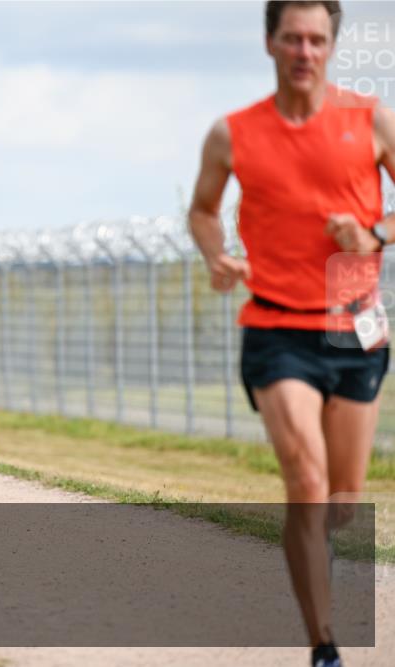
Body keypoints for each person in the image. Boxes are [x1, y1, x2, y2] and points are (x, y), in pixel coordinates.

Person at [188, 3, 393, 665]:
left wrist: (376, 234)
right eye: (292, 38)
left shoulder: (370, 121)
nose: (304, 50)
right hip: (275, 325)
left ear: (332, 45)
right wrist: (216, 253)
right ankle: (324, 644)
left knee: (341, 500)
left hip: (352, 323)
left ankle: (327, 531)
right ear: (270, 42)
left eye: (317, 39)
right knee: (304, 480)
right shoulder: (234, 132)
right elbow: (201, 210)